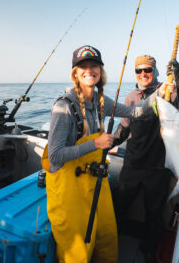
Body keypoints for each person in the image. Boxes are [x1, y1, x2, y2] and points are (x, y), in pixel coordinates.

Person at [42, 46, 158, 263]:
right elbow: (56, 156)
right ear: (75, 73)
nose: (89, 70)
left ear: (100, 70)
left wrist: (160, 95)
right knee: (76, 246)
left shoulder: (101, 101)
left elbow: (136, 112)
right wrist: (95, 143)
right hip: (69, 188)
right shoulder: (64, 107)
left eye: (94, 66)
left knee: (106, 235)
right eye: (82, 67)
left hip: (95, 181)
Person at [113, 55, 179, 262]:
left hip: (159, 168)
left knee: (154, 214)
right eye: (139, 71)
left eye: (148, 70)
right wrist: (106, 144)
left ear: (156, 71)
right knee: (119, 207)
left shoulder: (169, 91)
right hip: (132, 165)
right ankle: (111, 240)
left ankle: (150, 250)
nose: (143, 74)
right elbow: (123, 129)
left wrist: (178, 77)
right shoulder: (131, 97)